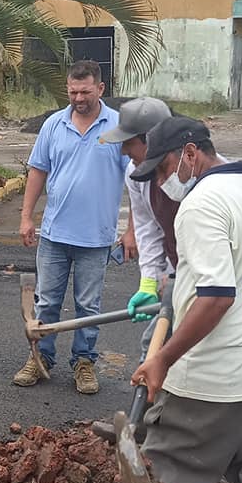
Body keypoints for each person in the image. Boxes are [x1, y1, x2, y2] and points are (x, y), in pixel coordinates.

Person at [127, 116, 242, 483]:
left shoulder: (201, 203)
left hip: (218, 378)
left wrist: (163, 359)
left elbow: (218, 295)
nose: (161, 182)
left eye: (164, 169)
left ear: (190, 153)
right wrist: (179, 284)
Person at [13, 60, 130, 395]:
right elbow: (38, 170)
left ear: (100, 89)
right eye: (73, 92)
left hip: (96, 238)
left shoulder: (118, 127)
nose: (78, 98)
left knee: (88, 306)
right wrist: (26, 217)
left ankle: (84, 362)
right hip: (54, 235)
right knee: (47, 302)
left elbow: (136, 180)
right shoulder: (54, 124)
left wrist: (134, 229)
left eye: (85, 91)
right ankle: (40, 358)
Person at [100, 97, 180, 363]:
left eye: (128, 142)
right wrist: (149, 283)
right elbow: (148, 229)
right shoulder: (136, 174)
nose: (123, 151)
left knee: (170, 350)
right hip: (175, 271)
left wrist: (181, 278)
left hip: (212, 281)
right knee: (154, 347)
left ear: (152, 139)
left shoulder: (199, 174)